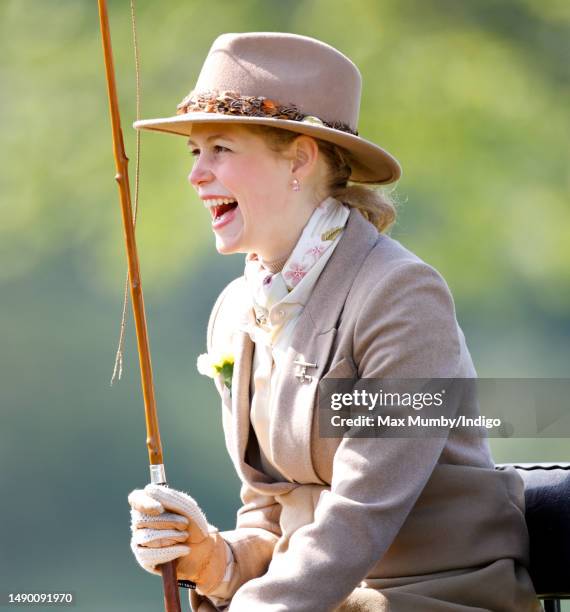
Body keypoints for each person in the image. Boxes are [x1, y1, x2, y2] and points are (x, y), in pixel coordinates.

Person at [127, 33, 541, 611]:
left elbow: (363, 511)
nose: (197, 175)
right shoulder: (234, 312)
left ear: (299, 157)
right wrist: (214, 561)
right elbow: (271, 514)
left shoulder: (400, 294)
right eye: (194, 153)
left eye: (220, 148)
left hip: (434, 596)